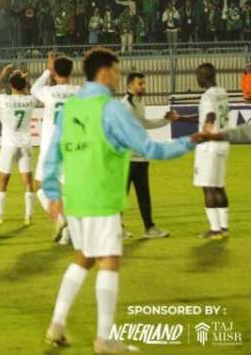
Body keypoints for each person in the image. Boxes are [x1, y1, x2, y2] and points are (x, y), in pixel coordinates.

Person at [42, 48, 198, 353]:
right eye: (116, 71)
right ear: (104, 73)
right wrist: (188, 141)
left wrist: (51, 192)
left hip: (75, 198)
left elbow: (52, 155)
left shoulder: (70, 108)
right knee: (110, 262)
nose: (118, 77)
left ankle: (57, 325)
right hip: (101, 198)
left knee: (83, 258)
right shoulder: (111, 109)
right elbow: (149, 149)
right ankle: (104, 338)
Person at [122, 72, 179, 238]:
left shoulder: (140, 102)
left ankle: (149, 228)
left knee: (144, 195)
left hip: (140, 157)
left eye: (144, 84)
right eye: (140, 84)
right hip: (126, 158)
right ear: (130, 86)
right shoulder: (125, 105)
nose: (143, 86)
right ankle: (116, 229)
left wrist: (165, 120)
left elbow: (144, 124)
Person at [31, 53, 80, 243]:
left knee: (40, 187)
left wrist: (46, 71)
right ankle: (67, 236)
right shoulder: (79, 91)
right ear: (71, 71)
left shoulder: (49, 92)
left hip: (51, 146)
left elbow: (34, 88)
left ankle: (60, 219)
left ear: (54, 73)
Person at [0, 64, 37, 226]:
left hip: (9, 145)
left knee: (2, 180)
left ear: (10, 85)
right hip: (25, 144)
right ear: (24, 85)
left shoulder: (5, 100)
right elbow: (31, 91)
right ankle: (29, 215)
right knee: (27, 181)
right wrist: (26, 81)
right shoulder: (30, 100)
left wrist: (2, 76)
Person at [187, 63, 231, 239]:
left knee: (208, 187)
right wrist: (181, 118)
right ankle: (224, 228)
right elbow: (207, 115)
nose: (197, 79)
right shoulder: (222, 92)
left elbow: (210, 116)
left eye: (198, 76)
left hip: (209, 146)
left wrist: (206, 128)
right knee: (219, 186)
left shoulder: (206, 97)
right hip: (222, 144)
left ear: (204, 77)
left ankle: (214, 230)